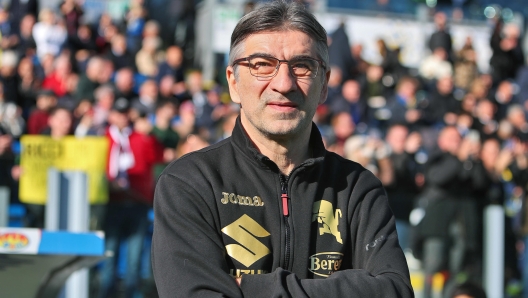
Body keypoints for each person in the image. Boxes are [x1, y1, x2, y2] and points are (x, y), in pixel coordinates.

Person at [151, 1, 413, 297]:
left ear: (324, 84)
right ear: (233, 83)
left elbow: (394, 291)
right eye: (262, 65)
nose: (284, 83)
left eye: (302, 66)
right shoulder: (190, 183)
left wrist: (258, 290)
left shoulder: (357, 189)